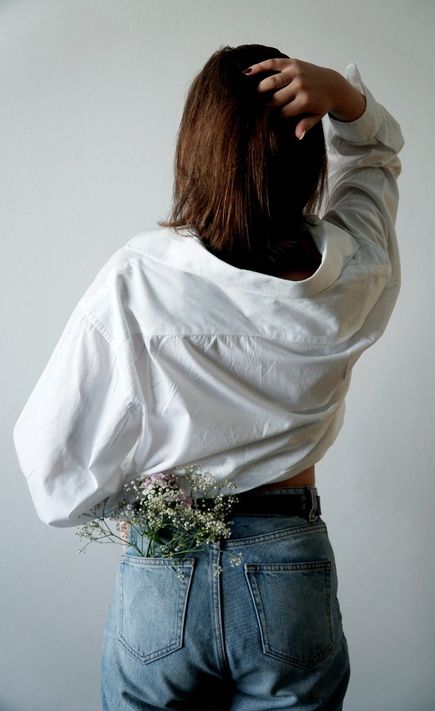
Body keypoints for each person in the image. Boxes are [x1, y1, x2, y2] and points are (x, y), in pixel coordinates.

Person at [12, 43, 404, 710]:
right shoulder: (356, 273)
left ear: (199, 149)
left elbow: (52, 472)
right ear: (307, 153)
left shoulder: (137, 278)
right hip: (290, 565)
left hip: (168, 564)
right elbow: (375, 159)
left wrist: (145, 507)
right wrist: (343, 95)